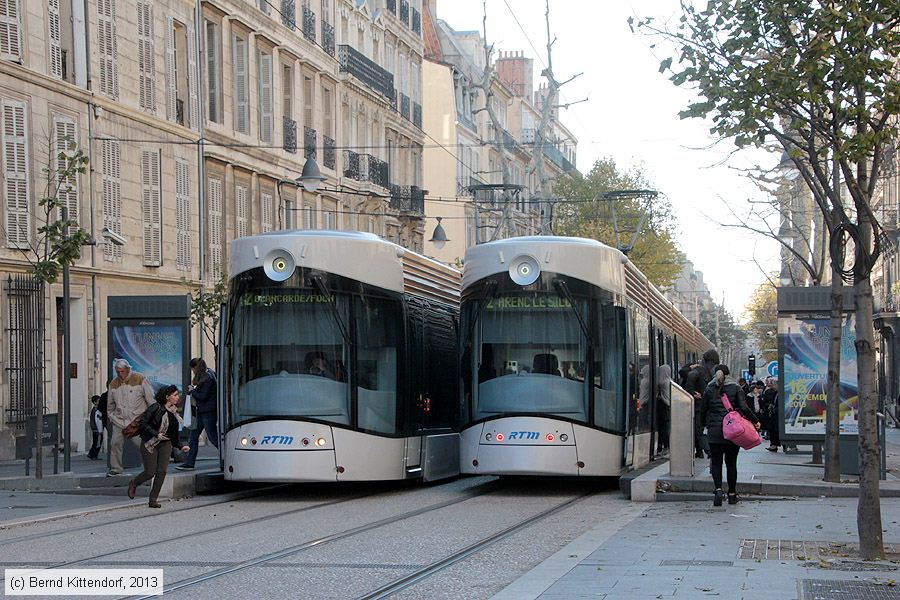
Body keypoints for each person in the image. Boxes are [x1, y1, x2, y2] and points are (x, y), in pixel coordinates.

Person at [700, 364, 761, 506]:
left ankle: (718, 490)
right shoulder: (736, 388)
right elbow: (744, 407)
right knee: (731, 463)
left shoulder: (709, 389)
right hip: (733, 432)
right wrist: (755, 420)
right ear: (728, 374)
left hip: (714, 431)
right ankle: (732, 494)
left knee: (716, 462)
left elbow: (703, 411)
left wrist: (704, 425)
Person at [127, 385, 189, 508]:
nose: (177, 397)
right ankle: (134, 483)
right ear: (167, 397)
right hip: (150, 442)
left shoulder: (174, 412)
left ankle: (153, 499)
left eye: (178, 394)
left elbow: (173, 433)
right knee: (150, 472)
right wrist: (156, 434)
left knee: (162, 471)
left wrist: (181, 446)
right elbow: (143, 423)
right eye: (175, 395)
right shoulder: (155, 408)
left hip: (165, 444)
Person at [107, 359, 154, 476]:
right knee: (115, 443)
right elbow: (110, 405)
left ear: (128, 369)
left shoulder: (140, 379)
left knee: (143, 445)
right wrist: (112, 417)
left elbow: (150, 399)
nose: (119, 374)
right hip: (119, 420)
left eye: (122, 371)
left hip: (137, 420)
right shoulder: (113, 383)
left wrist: (150, 417)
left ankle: (151, 468)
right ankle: (116, 469)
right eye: (117, 371)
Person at [176, 358, 219, 471]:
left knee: (212, 437)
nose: (192, 371)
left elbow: (203, 397)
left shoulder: (207, 378)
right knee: (193, 437)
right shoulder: (209, 374)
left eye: (193, 369)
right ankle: (189, 463)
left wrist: (192, 391)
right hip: (203, 411)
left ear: (196, 367)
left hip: (207, 412)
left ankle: (228, 454)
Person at [685, 349, 720, 458]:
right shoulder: (712, 370)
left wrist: (691, 392)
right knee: (701, 429)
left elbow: (690, 377)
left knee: (699, 429)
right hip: (706, 405)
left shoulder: (700, 370)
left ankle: (704, 451)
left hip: (700, 405)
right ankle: (705, 451)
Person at [656, 365, 672, 453]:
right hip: (668, 406)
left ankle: (664, 445)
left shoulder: (663, 382)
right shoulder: (669, 381)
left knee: (663, 427)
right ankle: (666, 445)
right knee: (665, 426)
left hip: (664, 405)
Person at [763, 377, 781, 451]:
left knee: (777, 430)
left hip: (779, 415)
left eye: (774, 384)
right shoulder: (775, 393)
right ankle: (774, 445)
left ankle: (787, 445)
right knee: (773, 430)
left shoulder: (781, 393)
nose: (773, 386)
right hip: (774, 414)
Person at [87, 395, 103, 460]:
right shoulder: (94, 410)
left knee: (97, 442)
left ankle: (92, 454)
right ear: (95, 402)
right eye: (99, 401)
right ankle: (93, 455)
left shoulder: (98, 409)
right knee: (97, 442)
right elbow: (93, 420)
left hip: (99, 428)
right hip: (96, 429)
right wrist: (94, 428)